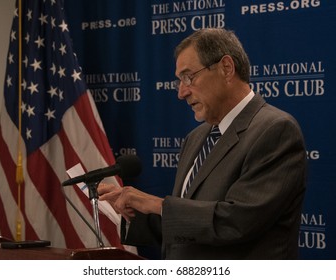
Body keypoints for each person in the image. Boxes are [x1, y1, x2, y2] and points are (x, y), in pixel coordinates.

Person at [99, 28, 307, 259]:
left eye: (188, 77)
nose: (181, 92)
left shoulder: (275, 129)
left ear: (226, 68)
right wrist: (129, 210)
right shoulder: (197, 138)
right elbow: (188, 226)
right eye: (179, 80)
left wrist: (157, 204)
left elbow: (237, 222)